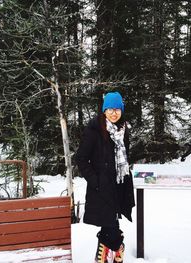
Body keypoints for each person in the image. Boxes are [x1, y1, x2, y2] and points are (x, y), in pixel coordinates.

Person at [75, 91, 135, 263]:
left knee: (111, 221)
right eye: (110, 109)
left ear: (122, 110)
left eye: (117, 109)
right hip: (102, 186)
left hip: (119, 184)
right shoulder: (94, 130)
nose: (113, 113)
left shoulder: (123, 129)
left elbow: (124, 155)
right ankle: (115, 251)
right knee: (109, 222)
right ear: (104, 110)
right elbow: (81, 158)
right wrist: (96, 180)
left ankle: (107, 253)